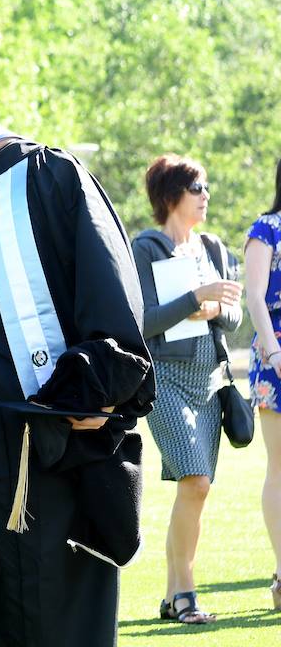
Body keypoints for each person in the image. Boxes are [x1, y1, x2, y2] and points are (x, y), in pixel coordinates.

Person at [0, 44, 154, 647]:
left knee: (63, 620)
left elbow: (110, 296)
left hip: (49, 452)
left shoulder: (50, 176)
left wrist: (96, 398)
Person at [131, 154, 242, 624]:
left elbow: (235, 315)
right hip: (167, 380)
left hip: (210, 379)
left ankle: (174, 594)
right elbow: (142, 320)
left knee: (197, 490)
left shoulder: (213, 248)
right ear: (171, 195)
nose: (205, 196)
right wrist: (195, 299)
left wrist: (216, 310)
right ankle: (186, 595)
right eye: (197, 188)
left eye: (207, 188)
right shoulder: (147, 248)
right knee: (193, 479)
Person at [243, 156, 281, 610]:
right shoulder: (266, 227)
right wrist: (273, 351)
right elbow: (255, 294)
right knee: (280, 467)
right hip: (277, 351)